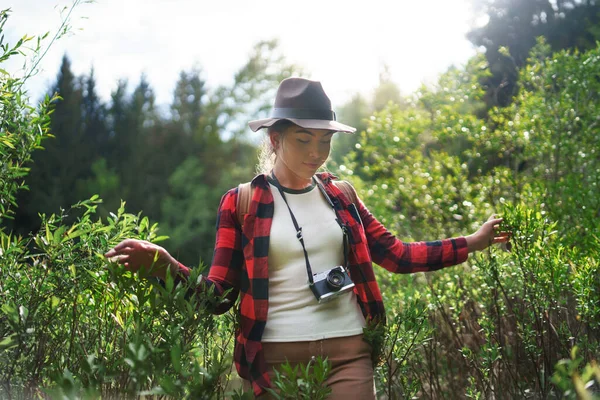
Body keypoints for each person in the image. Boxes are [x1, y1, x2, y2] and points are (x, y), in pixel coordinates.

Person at [104, 77, 511, 399]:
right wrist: (161, 265)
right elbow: (218, 298)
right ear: (275, 140)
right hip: (272, 365)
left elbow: (397, 254)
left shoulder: (341, 195)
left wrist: (471, 242)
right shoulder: (242, 204)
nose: (317, 152)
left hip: (348, 355)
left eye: (325, 140)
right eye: (304, 140)